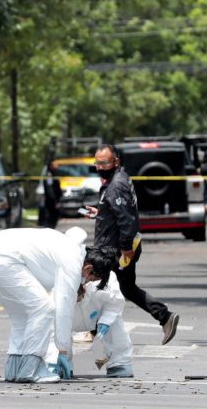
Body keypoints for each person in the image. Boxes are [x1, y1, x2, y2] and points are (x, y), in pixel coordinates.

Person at [0, 226, 116, 383]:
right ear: (88, 268)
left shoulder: (71, 249)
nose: (86, 282)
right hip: (2, 258)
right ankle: (31, 370)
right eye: (90, 279)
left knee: (22, 316)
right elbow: (63, 311)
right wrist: (63, 352)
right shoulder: (72, 262)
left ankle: (14, 368)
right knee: (44, 308)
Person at [85, 144, 179, 345]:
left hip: (114, 251)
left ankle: (97, 334)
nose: (100, 167)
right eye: (97, 163)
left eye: (104, 163)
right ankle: (165, 317)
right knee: (125, 288)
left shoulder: (116, 184)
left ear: (116, 161)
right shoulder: (118, 179)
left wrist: (126, 248)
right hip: (117, 248)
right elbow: (118, 211)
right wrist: (100, 213)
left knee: (93, 286)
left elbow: (126, 219)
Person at [46, 272, 134, 378]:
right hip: (69, 320)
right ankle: (61, 365)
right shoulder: (56, 297)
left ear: (84, 289)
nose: (77, 302)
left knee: (115, 322)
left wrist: (106, 320)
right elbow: (54, 332)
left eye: (78, 298)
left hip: (96, 313)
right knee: (54, 327)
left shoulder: (102, 284)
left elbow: (115, 302)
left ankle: (120, 363)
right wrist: (58, 355)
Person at [39, 161, 62, 229]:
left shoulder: (53, 175)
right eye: (54, 165)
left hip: (53, 201)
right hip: (51, 202)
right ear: (50, 166)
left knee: (53, 218)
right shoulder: (49, 176)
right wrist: (56, 201)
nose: (56, 166)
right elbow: (50, 189)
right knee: (51, 218)